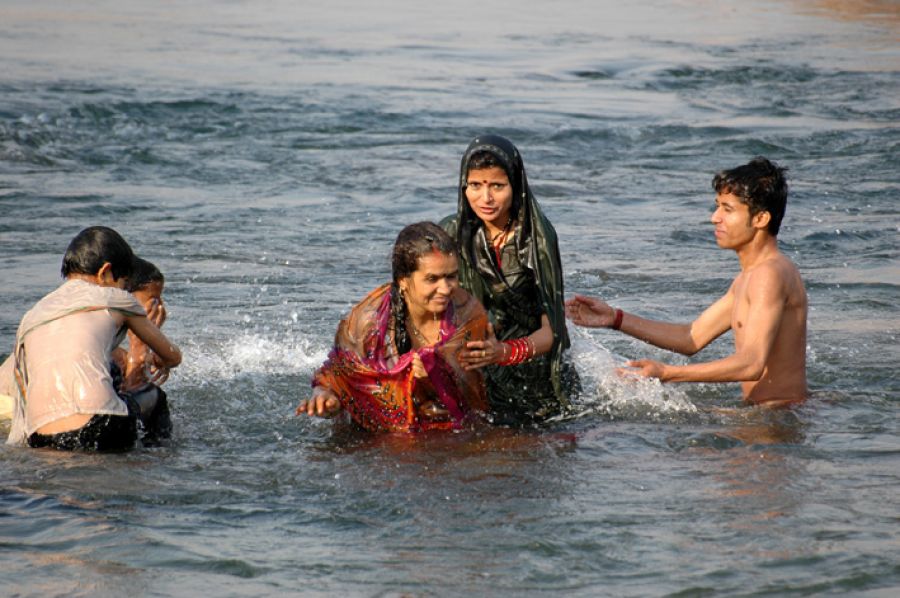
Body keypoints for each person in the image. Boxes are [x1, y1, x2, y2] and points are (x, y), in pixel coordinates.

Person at [566, 157, 807, 406]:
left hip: (778, 421)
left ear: (760, 219)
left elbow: (751, 364)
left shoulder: (768, 275)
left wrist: (668, 374)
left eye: (727, 209)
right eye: (717, 206)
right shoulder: (751, 276)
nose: (715, 217)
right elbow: (691, 338)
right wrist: (615, 318)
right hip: (767, 414)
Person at [296, 222, 489, 433]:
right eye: (432, 279)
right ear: (403, 281)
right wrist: (325, 397)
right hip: (376, 431)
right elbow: (337, 374)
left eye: (451, 276)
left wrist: (434, 375)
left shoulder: (468, 315)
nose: (445, 289)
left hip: (447, 429)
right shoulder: (366, 323)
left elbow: (474, 400)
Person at [441, 134, 578, 426]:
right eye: (475, 185)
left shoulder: (537, 239)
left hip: (533, 377)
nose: (485, 198)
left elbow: (551, 332)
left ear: (515, 187)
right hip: (475, 364)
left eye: (497, 186)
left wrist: (503, 352)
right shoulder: (451, 233)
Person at [6, 226, 182, 451]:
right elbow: (173, 357)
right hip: (101, 425)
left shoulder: (31, 317)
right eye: (124, 282)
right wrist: (151, 342)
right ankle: (156, 463)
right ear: (105, 273)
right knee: (153, 397)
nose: (124, 289)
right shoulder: (115, 298)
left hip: (40, 437)